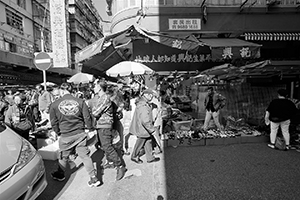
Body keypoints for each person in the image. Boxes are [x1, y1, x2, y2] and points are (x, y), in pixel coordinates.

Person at [49, 83, 101, 187]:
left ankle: (60, 174)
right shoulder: (80, 102)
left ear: (62, 91)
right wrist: (90, 129)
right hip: (80, 134)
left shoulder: (54, 104)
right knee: (85, 156)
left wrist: (58, 132)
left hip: (65, 135)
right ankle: (94, 178)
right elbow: (87, 117)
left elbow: (53, 122)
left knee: (63, 156)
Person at [91, 79, 127, 181]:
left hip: (105, 125)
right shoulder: (101, 97)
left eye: (95, 86)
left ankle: (120, 166)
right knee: (104, 146)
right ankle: (112, 162)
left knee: (107, 147)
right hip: (101, 125)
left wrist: (92, 110)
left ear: (99, 87)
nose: (93, 88)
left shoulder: (104, 98)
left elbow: (95, 112)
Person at [129, 89, 160, 164]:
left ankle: (150, 157)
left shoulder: (144, 103)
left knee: (148, 141)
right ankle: (134, 156)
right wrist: (152, 130)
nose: (152, 97)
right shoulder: (143, 105)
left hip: (144, 128)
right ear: (146, 95)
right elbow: (145, 121)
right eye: (150, 95)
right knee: (140, 142)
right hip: (143, 128)